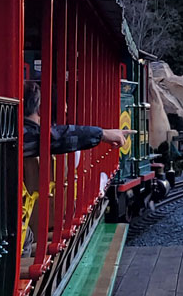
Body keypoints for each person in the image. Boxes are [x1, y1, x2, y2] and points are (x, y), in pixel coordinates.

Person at [21, 80, 132, 256]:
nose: (66, 109)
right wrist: (102, 134)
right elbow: (48, 138)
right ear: (41, 109)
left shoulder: (11, 135)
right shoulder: (25, 139)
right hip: (41, 223)